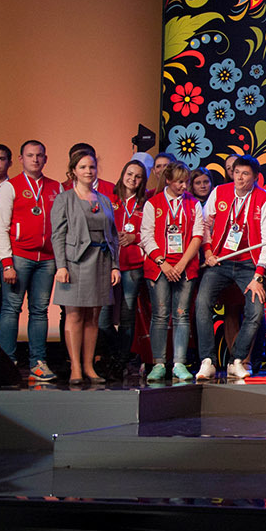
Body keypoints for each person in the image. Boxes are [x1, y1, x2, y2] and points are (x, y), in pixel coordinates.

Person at [195, 154, 266, 380]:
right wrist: (208, 251)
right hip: (220, 261)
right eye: (237, 172)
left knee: (256, 311)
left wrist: (258, 275)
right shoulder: (219, 192)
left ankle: (237, 360)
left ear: (255, 177)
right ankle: (207, 361)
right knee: (202, 302)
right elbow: (205, 224)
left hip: (249, 264)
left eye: (245, 174)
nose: (239, 177)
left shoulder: (264, 198)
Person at [51, 148, 121, 385]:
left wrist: (114, 266)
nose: (88, 171)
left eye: (91, 167)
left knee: (93, 316)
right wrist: (61, 266)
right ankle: (75, 367)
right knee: (74, 315)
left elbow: (113, 235)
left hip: (101, 261)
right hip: (75, 263)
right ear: (73, 171)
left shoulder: (104, 199)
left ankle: (89, 366)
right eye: (82, 167)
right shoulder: (64, 199)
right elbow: (57, 236)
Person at [0, 140, 61, 381]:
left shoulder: (56, 187)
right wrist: (7, 263)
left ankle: (38, 363)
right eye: (30, 155)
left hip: (47, 259)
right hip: (19, 257)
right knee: (11, 309)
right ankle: (7, 362)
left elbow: (61, 226)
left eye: (39, 155)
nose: (35, 159)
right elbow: (1, 228)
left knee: (40, 311)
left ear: (45, 159)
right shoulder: (9, 187)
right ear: (21, 159)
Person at [141, 160, 203, 382]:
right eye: (179, 182)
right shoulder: (153, 204)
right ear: (167, 180)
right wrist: (163, 263)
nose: (184, 186)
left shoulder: (194, 204)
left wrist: (181, 264)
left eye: (186, 182)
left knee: (182, 315)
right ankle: (159, 363)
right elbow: (146, 236)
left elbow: (198, 235)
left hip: (185, 267)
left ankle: (179, 363)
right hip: (159, 268)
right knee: (159, 314)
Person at [111, 160, 150, 377]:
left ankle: (122, 360)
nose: (132, 179)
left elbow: (154, 232)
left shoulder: (146, 203)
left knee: (127, 315)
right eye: (129, 174)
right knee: (103, 317)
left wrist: (134, 237)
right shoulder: (109, 199)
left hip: (133, 265)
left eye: (138, 176)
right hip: (108, 264)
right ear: (122, 174)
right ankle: (109, 354)